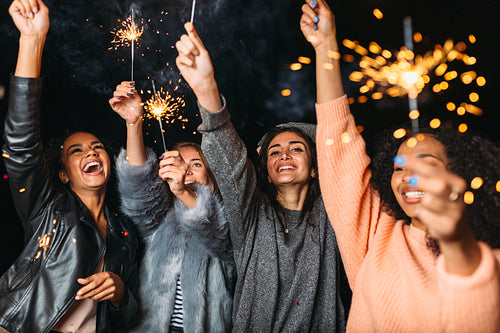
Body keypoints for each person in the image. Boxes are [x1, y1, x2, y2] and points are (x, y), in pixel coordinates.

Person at [306, 0, 500, 331]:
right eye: (398, 167)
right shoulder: (375, 235)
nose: (408, 176)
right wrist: (325, 46)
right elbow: (339, 147)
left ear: (459, 177)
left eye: (427, 162)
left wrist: (455, 242)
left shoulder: (489, 258)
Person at [174, 14, 348, 333]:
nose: (284, 154)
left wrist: (325, 46)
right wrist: (206, 87)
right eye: (274, 151)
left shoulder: (332, 215)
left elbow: (338, 144)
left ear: (314, 168)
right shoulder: (252, 215)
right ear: (265, 172)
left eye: (296, 148)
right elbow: (231, 157)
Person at [0, 0, 139, 332]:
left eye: (96, 147)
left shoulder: (125, 233)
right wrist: (32, 41)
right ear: (63, 173)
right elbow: (20, 146)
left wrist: (120, 293)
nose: (90, 153)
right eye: (76, 151)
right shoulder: (47, 208)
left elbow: (128, 316)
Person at [110, 81, 235, 332]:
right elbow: (138, 186)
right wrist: (134, 123)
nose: (186, 169)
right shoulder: (160, 219)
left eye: (197, 165)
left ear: (212, 176)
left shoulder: (231, 220)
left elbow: (215, 232)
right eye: (179, 162)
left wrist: (182, 190)